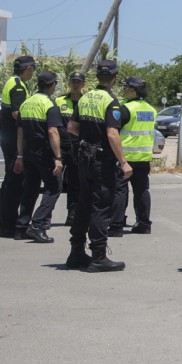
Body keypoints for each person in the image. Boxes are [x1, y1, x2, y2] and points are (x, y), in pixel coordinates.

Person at [66, 59, 130, 272]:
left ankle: (76, 252)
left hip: (83, 158)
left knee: (83, 204)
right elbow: (112, 134)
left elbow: (72, 127)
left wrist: (87, 137)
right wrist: (123, 162)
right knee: (100, 207)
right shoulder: (111, 102)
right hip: (101, 161)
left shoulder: (85, 98)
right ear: (115, 77)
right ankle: (99, 256)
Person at [13, 70, 65, 243]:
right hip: (44, 153)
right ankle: (38, 224)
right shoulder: (49, 104)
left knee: (30, 189)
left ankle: (21, 227)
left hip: (28, 152)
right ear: (52, 85)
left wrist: (20, 156)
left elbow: (19, 132)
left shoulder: (27, 103)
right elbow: (52, 131)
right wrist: (58, 157)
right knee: (53, 187)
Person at [0, 55, 36, 238]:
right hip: (13, 138)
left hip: (7, 136)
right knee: (15, 182)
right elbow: (16, 113)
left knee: (9, 182)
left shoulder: (11, 81)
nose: (33, 73)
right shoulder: (19, 86)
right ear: (28, 69)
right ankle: (9, 225)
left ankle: (4, 223)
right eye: (33, 69)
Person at [111, 76, 157, 235]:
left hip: (125, 158)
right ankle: (144, 224)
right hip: (143, 158)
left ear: (133, 90)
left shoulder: (126, 109)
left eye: (125, 88)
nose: (123, 90)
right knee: (142, 191)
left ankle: (116, 225)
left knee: (120, 191)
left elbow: (113, 130)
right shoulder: (151, 109)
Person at [54, 72, 85, 226]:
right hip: (61, 147)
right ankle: (45, 217)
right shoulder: (59, 101)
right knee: (54, 183)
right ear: (69, 82)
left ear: (83, 84)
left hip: (77, 148)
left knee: (74, 184)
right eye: (73, 81)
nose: (76, 84)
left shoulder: (86, 102)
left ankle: (72, 215)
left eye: (78, 82)